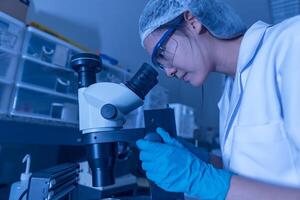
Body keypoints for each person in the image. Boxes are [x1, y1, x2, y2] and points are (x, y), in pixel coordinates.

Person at [136, 0, 300, 199]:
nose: (168, 72)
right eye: (159, 64)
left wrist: (202, 179)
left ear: (193, 21)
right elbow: (257, 170)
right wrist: (205, 161)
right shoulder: (231, 91)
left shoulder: (290, 45)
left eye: (162, 52)